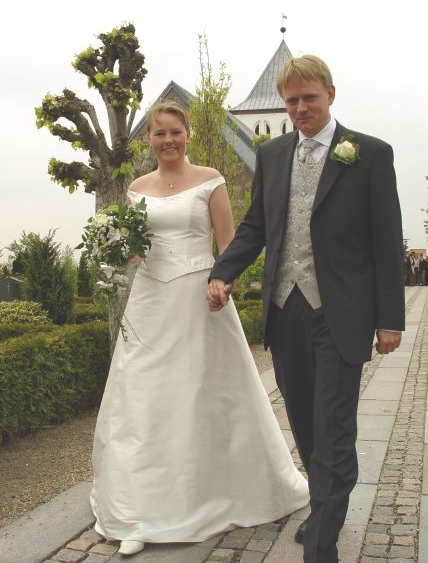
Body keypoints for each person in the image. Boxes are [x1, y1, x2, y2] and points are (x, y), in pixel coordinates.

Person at [207, 55, 405, 563]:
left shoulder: (369, 154)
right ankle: (324, 508)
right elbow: (256, 225)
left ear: (330, 95)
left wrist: (390, 319)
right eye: (291, 101)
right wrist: (223, 272)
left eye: (309, 98)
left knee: (334, 428)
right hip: (286, 310)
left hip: (342, 314)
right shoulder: (272, 154)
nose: (300, 109)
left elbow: (387, 240)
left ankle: (321, 545)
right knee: (306, 423)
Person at [90, 101, 309, 556]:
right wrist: (118, 249)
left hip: (200, 299)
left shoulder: (211, 180)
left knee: (204, 393)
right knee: (144, 397)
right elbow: (137, 250)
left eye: (175, 132)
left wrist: (223, 283)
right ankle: (138, 511)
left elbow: (229, 245)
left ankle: (217, 492)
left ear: (187, 134)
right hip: (150, 303)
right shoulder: (136, 188)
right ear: (148, 139)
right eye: (159, 133)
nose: (168, 140)